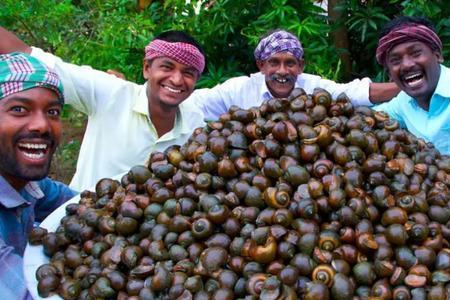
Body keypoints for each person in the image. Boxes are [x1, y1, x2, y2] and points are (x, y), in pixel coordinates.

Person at [0, 27, 207, 191]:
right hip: (79, 224)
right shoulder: (111, 93)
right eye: (167, 67)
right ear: (146, 68)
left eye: (188, 73)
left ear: (196, 81)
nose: (177, 79)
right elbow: (28, 55)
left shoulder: (195, 124)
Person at [186, 29, 400, 120]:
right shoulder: (238, 89)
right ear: (261, 65)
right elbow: (193, 102)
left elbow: (353, 93)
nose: (282, 71)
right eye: (274, 63)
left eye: (290, 63)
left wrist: (405, 86)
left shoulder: (313, 86)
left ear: (301, 66)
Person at [0, 52, 77, 299]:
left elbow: (86, 204)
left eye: (52, 112)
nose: (42, 125)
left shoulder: (29, 184)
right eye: (19, 109)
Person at [373, 16, 450, 155]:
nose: (407, 65)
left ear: (438, 55)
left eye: (416, 53)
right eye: (395, 60)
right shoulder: (402, 103)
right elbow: (365, 116)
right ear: (390, 74)